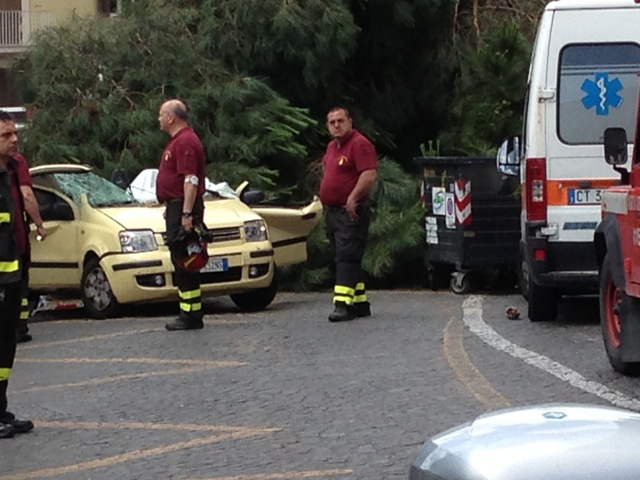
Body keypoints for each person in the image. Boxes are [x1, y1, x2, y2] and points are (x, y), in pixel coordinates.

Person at [319, 107, 378, 322]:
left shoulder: (359, 144)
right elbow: (328, 170)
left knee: (347, 256)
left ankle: (342, 304)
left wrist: (352, 198)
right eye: (332, 122)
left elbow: (369, 174)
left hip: (351, 210)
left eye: (340, 120)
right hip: (334, 211)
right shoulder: (332, 147)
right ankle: (359, 302)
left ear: (350, 122)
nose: (336, 125)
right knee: (342, 255)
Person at [156, 99, 207, 331]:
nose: (158, 119)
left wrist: (186, 213)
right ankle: (190, 312)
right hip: (176, 206)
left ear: (171, 117)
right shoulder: (178, 141)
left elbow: (191, 180)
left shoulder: (185, 141)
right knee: (183, 259)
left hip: (183, 207)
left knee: (185, 259)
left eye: (161, 114)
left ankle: (191, 315)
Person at [0, 110, 35, 438]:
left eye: (14, 133)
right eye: (6, 135)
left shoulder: (11, 170)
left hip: (11, 274)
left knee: (6, 344)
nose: (14, 139)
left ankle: (1, 408)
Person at [14, 153, 46, 343]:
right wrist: (39, 223)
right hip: (12, 240)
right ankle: (19, 328)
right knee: (17, 285)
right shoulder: (16, 161)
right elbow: (26, 196)